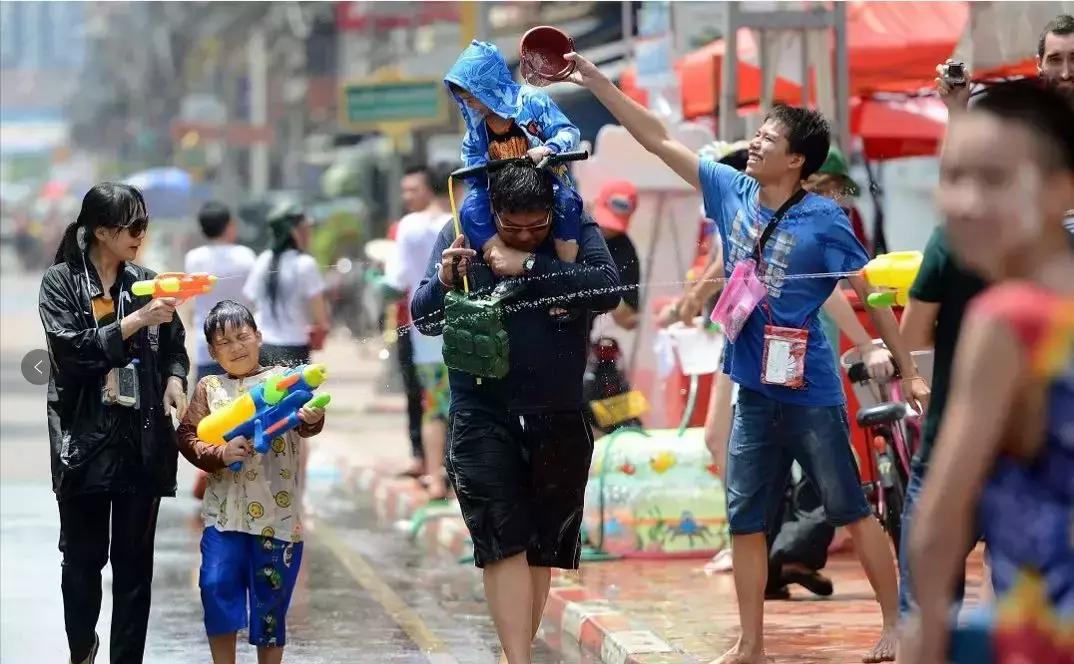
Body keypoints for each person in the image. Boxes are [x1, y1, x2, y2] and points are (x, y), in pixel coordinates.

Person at [565, 52, 930, 664]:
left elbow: (869, 293)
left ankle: (895, 625)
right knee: (744, 520)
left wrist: (909, 369)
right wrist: (598, 82)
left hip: (810, 393)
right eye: (758, 135)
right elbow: (654, 137)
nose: (755, 145)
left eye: (767, 139)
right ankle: (751, 644)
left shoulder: (825, 219)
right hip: (752, 389)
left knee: (849, 507)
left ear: (797, 160)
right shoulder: (731, 190)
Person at [411, 161, 620, 664]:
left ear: (552, 210)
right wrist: (443, 280)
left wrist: (527, 264)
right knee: (502, 539)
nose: (525, 235)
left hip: (557, 412)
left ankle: (514, 655)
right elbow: (424, 318)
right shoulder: (461, 230)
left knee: (542, 543)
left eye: (536, 226)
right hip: (483, 410)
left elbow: (608, 290)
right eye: (512, 227)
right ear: (493, 211)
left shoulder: (575, 226)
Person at [900, 79, 1074, 664]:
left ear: (1060, 188)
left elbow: (942, 519)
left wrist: (925, 634)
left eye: (996, 180)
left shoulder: (1011, 319)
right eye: (953, 178)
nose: (966, 202)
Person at [40, 182, 190, 664]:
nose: (142, 235)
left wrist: (173, 379)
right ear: (102, 231)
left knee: (134, 571)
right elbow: (70, 353)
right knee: (83, 563)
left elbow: (175, 349)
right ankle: (82, 648)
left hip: (140, 441)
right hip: (83, 443)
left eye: (146, 224)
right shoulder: (61, 282)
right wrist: (134, 321)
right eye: (134, 226)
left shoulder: (146, 281)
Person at [176, 300, 326, 664]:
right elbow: (188, 437)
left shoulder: (283, 381)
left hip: (278, 522)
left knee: (270, 608)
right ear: (212, 350)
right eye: (224, 342)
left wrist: (312, 416)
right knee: (214, 590)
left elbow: (309, 424)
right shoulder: (209, 389)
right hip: (222, 519)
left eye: (242, 336)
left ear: (258, 337)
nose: (236, 347)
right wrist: (220, 454)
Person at [445, 39, 584, 263]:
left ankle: (566, 266)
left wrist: (548, 148)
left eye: (472, 97)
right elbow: (474, 172)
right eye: (464, 100)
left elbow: (569, 132)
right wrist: (476, 174)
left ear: (487, 86)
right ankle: (502, 258)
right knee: (470, 209)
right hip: (502, 195)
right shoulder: (476, 129)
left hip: (545, 185)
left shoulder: (532, 101)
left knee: (567, 203)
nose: (469, 104)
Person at [383, 165, 456, 499]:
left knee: (434, 405)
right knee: (467, 405)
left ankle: (435, 477)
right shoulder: (462, 219)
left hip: (425, 332)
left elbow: (395, 281)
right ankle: (462, 477)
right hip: (465, 329)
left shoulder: (409, 226)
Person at [243, 203, 329, 368]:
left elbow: (249, 299)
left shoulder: (263, 260)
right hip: (294, 347)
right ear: (293, 232)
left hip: (263, 347)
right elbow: (320, 315)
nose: (308, 235)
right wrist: (319, 329)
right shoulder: (305, 263)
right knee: (296, 394)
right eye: (305, 230)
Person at [184, 201, 257, 382]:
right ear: (229, 225)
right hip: (242, 343)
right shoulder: (245, 255)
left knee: (210, 404)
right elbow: (255, 297)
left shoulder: (194, 258)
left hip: (208, 344)